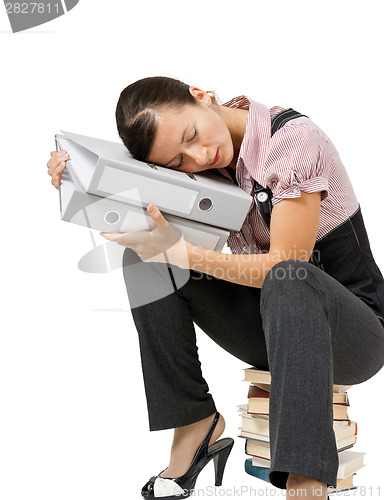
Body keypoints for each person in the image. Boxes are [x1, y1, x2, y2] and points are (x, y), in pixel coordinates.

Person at [46, 76, 384, 500]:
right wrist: (77, 183)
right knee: (146, 258)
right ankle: (194, 424)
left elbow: (287, 263)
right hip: (273, 327)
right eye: (179, 161)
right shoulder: (209, 165)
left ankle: (306, 479)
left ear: (201, 96)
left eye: (191, 135)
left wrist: (183, 254)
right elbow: (145, 226)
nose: (200, 156)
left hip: (354, 333)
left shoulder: (294, 141)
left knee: (286, 276)